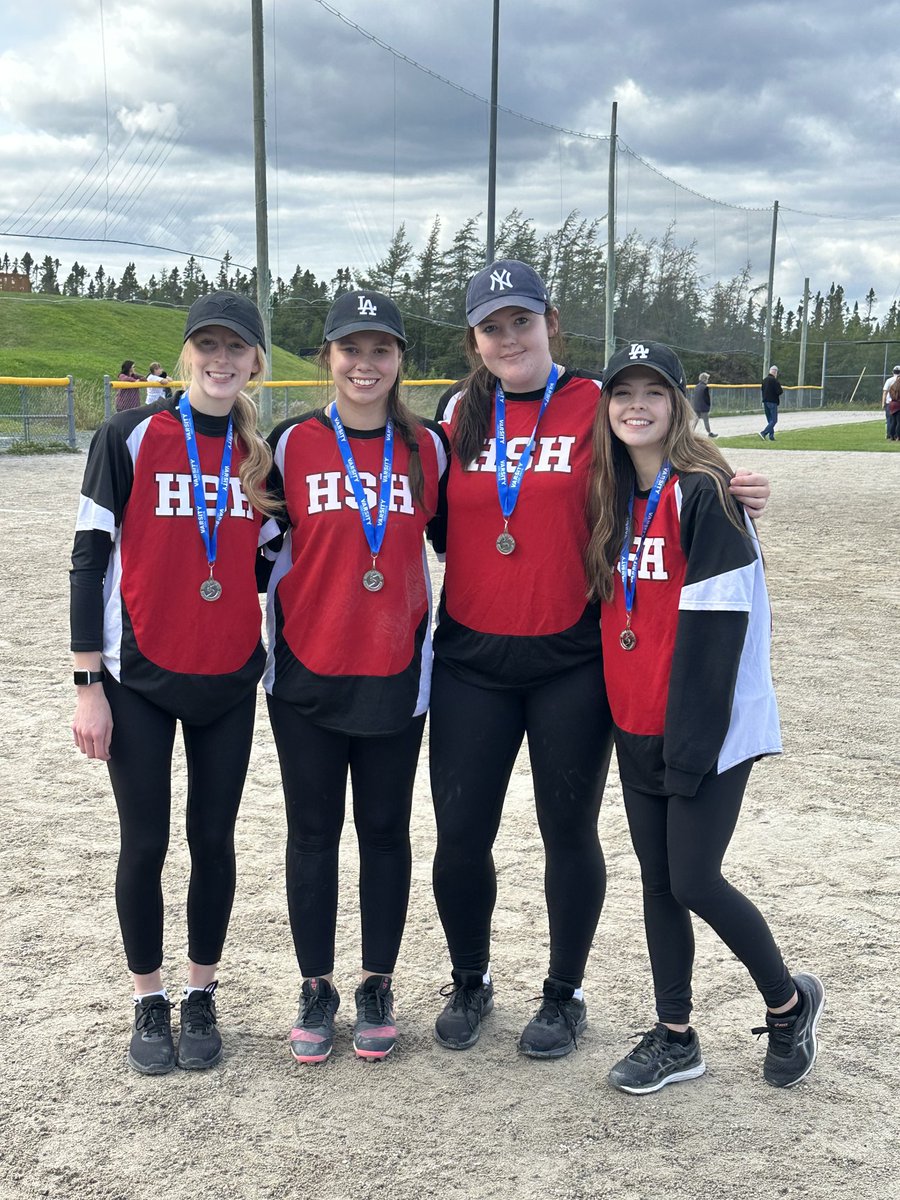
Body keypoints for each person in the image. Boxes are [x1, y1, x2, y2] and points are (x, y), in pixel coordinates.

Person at [428, 260, 772, 1060]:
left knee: (568, 831)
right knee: (460, 835)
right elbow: (431, 516)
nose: (509, 338)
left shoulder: (594, 402)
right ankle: (470, 978)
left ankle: (563, 992)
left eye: (522, 321)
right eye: (492, 327)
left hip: (572, 659)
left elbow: (670, 460)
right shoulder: (456, 413)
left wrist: (738, 483)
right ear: (475, 341)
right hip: (472, 657)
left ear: (550, 321)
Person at [585, 339, 824, 1094]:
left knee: (694, 880)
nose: (636, 406)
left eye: (654, 392)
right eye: (623, 392)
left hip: (706, 728)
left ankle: (788, 1005)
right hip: (637, 719)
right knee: (658, 883)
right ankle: (677, 1035)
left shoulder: (706, 493)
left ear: (678, 404)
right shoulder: (610, 497)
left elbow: (720, 635)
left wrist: (688, 746)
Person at [71, 291, 275, 1075]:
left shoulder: (262, 455)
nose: (222, 360)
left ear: (257, 360)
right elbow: (89, 559)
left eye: (237, 348)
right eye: (208, 345)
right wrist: (88, 681)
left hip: (226, 677)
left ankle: (201, 993)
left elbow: (265, 560)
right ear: (187, 353)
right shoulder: (128, 435)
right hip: (139, 676)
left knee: (213, 840)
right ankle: (148, 999)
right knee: (146, 842)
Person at [262, 291, 449, 1063]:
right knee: (311, 835)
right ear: (327, 358)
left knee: (383, 834)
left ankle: (376, 980)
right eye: (350, 349)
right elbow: (248, 548)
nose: (365, 364)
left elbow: (477, 538)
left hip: (396, 671)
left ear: (401, 359)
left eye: (381, 350)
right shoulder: (290, 443)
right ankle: (316, 984)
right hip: (305, 671)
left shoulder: (427, 449)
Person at [759, 365, 783, 441]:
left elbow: (762, 389)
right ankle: (763, 433)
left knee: (770, 420)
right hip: (772, 402)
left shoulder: (764, 380)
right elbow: (779, 391)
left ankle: (771, 436)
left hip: (765, 401)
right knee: (774, 420)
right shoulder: (775, 381)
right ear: (775, 372)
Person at [691, 371, 717, 436]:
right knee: (706, 420)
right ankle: (709, 432)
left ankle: (691, 431)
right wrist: (708, 407)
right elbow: (707, 399)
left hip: (696, 406)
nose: (707, 381)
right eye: (707, 379)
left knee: (695, 420)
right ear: (704, 379)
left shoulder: (696, 386)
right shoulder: (705, 387)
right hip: (703, 407)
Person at [881, 365, 900, 441]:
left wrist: (883, 403)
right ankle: (897, 436)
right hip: (898, 403)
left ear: (893, 372)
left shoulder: (889, 380)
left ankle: (889, 435)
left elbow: (885, 392)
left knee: (890, 420)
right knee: (898, 421)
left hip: (890, 403)